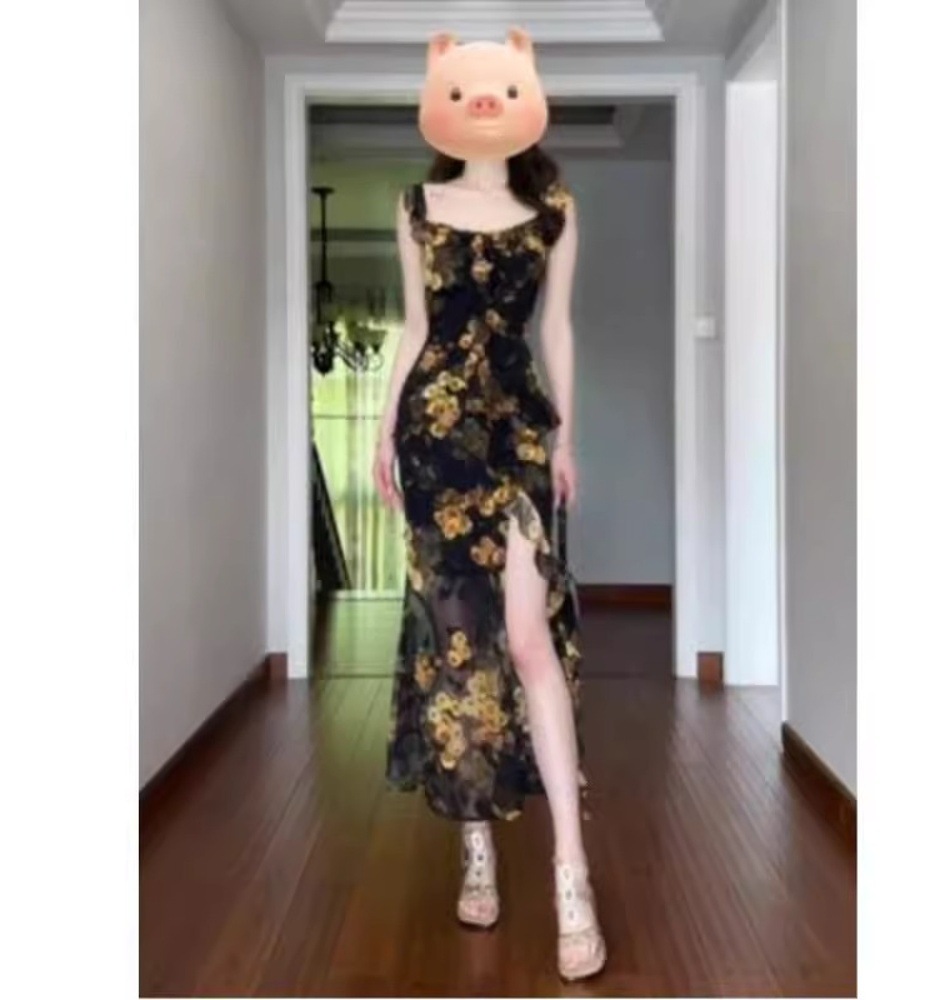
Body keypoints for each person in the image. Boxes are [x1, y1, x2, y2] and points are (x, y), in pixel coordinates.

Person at [372, 27, 606, 982]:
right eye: (463, 89)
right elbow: (414, 330)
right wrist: (382, 433)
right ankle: (476, 843)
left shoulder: (553, 211)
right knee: (457, 638)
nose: (481, 103)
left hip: (515, 437)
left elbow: (557, 329)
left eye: (501, 88)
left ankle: (570, 872)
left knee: (526, 638)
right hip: (433, 439)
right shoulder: (415, 207)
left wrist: (566, 439)